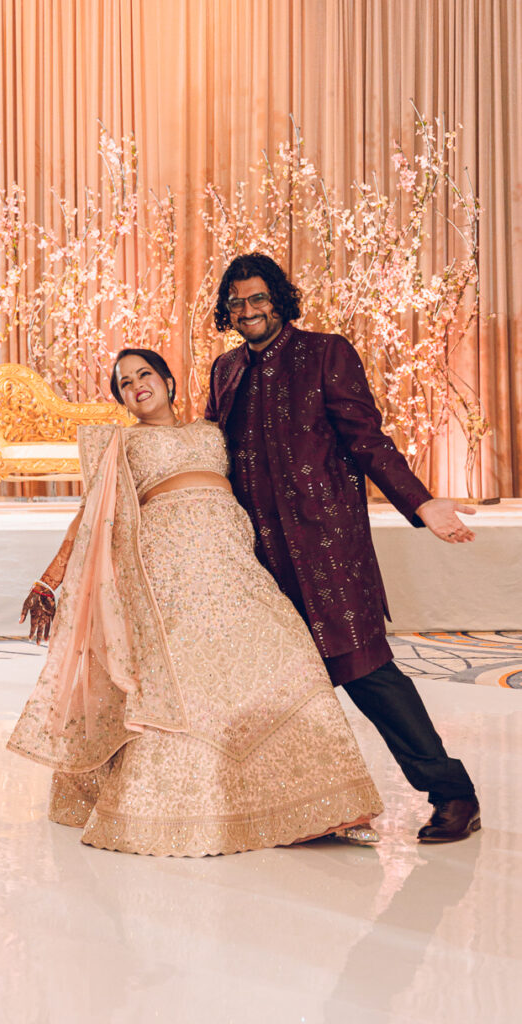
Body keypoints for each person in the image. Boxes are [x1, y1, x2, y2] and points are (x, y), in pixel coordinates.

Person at [8, 349, 384, 857]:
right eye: (124, 384)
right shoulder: (121, 442)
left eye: (145, 374)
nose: (137, 385)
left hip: (231, 558)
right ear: (120, 398)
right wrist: (50, 581)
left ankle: (323, 804)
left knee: (289, 656)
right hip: (168, 567)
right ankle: (186, 808)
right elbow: (90, 519)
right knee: (184, 677)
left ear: (168, 381)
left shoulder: (212, 432)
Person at [205, 252, 480, 844]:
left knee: (367, 672)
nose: (248, 311)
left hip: (326, 548)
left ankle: (452, 793)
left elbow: (366, 440)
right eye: (237, 303)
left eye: (258, 299)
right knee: (278, 684)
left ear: (279, 299)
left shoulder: (325, 354)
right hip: (259, 556)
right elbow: (213, 457)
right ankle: (306, 806)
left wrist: (422, 502)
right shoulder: (225, 372)